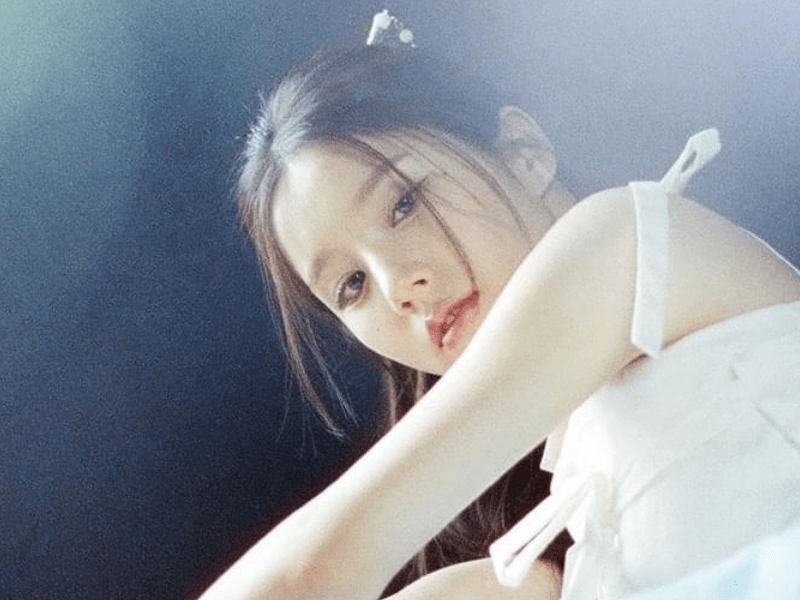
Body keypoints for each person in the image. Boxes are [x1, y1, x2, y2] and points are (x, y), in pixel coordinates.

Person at [201, 12, 800, 600]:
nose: (398, 286)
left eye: (405, 204)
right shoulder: (534, 569)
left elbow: (313, 574)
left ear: (523, 152)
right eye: (352, 285)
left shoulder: (625, 240)